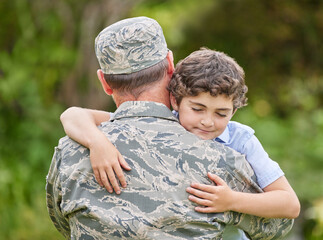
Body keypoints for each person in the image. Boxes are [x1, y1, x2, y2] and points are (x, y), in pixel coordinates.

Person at [46, 16, 294, 239]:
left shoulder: (70, 151)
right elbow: (278, 225)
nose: (207, 122)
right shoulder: (223, 162)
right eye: (198, 109)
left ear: (104, 82)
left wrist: (97, 142)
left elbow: (62, 222)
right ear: (170, 64)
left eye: (220, 113)